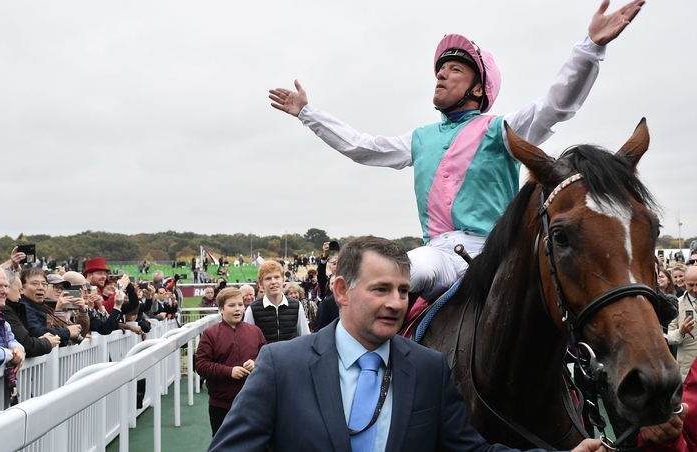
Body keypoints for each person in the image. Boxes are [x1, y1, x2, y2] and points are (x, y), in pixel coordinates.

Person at [268, 0, 645, 303]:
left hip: (497, 254)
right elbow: (361, 147)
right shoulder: (419, 138)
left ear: (478, 90)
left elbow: (557, 104)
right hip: (439, 256)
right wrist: (306, 113)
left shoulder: (499, 128)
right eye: (440, 69)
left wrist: (590, 47)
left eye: (453, 70)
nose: (441, 75)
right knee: (377, 279)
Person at [209, 236, 605, 451]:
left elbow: (469, 451)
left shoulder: (429, 367)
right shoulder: (280, 365)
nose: (397, 303)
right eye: (381, 289)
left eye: (402, 290)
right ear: (342, 291)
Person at [195, 288, 266, 436]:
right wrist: (229, 371)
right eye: (232, 305)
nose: (237, 309)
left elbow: (265, 356)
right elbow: (201, 365)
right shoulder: (210, 334)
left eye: (240, 305)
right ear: (221, 309)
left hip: (252, 402)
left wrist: (255, 362)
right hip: (221, 404)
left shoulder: (255, 331)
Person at [243, 260, 310, 344]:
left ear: (283, 280)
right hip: (265, 357)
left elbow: (305, 338)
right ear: (261, 283)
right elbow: (248, 342)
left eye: (277, 277)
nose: (273, 282)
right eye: (268, 278)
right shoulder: (252, 310)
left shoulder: (296, 306)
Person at [669, 266, 697, 380]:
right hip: (688, 371)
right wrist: (681, 332)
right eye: (691, 285)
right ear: (684, 283)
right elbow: (668, 337)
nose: (695, 289)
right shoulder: (676, 305)